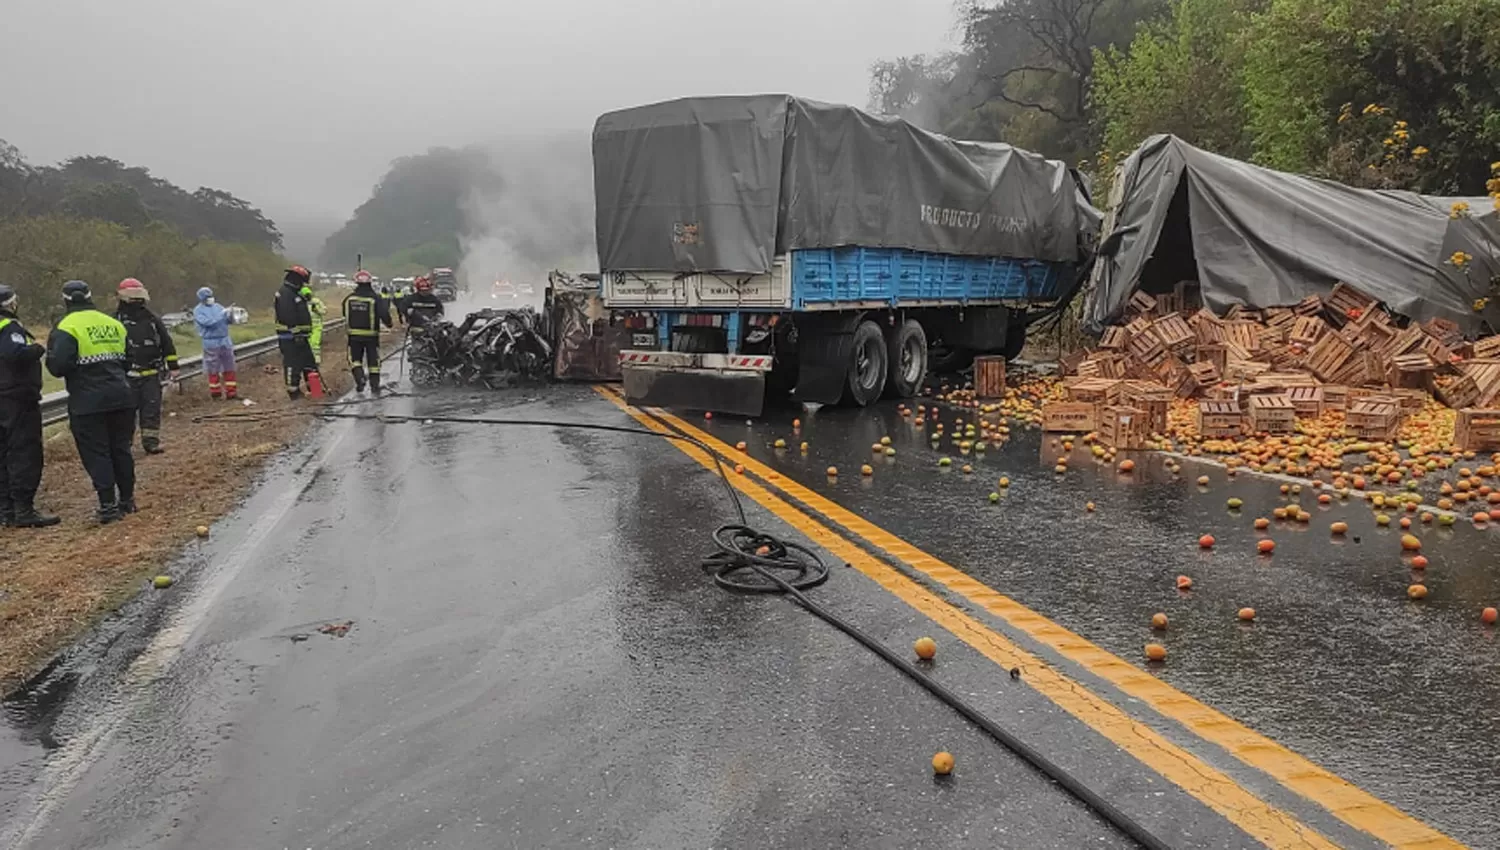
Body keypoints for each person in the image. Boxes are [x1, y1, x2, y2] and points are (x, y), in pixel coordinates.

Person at [46, 280, 136, 523]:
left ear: (65, 299)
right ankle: (127, 501)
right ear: (89, 296)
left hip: (87, 401)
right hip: (122, 396)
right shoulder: (112, 323)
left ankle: (107, 506)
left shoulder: (66, 326)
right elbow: (129, 359)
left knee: (97, 453)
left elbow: (58, 366)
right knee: (121, 449)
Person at [0, 283, 60, 528]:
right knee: (24, 452)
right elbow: (15, 354)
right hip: (17, 399)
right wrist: (37, 348)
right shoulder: (9, 327)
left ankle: (6, 510)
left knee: (3, 454)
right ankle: (24, 509)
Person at [115, 278, 179, 454]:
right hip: (126, 376)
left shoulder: (152, 319)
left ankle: (151, 442)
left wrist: (173, 365)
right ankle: (124, 444)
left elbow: (166, 343)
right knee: (125, 413)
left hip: (151, 373)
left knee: (151, 410)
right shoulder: (115, 321)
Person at [273, 265, 321, 399]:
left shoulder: (295, 293)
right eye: (301, 282)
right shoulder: (285, 293)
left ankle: (316, 390)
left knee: (310, 364)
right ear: (296, 279)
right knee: (292, 365)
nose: (302, 285)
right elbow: (286, 316)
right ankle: (294, 393)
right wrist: (296, 333)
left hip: (301, 336)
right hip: (290, 337)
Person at [342, 270, 392, 394]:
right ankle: (375, 386)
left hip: (353, 336)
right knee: (373, 362)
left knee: (354, 360)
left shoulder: (348, 299)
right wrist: (389, 324)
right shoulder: (375, 298)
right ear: (370, 282)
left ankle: (360, 379)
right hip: (372, 337)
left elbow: (344, 313)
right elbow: (383, 313)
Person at [193, 287, 237, 399]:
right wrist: (222, 315)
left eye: (210, 296)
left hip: (225, 340)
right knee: (213, 368)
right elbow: (208, 323)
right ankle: (215, 392)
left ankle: (231, 392)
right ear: (202, 299)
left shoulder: (218, 307)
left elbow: (227, 321)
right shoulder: (198, 310)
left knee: (229, 366)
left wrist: (231, 315)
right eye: (207, 297)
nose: (210, 298)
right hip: (210, 342)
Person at [304, 284, 327, 369]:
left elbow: (324, 311)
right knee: (308, 344)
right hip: (306, 327)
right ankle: (308, 361)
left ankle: (316, 361)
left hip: (317, 327)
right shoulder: (302, 302)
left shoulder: (316, 301)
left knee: (315, 344)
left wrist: (316, 310)